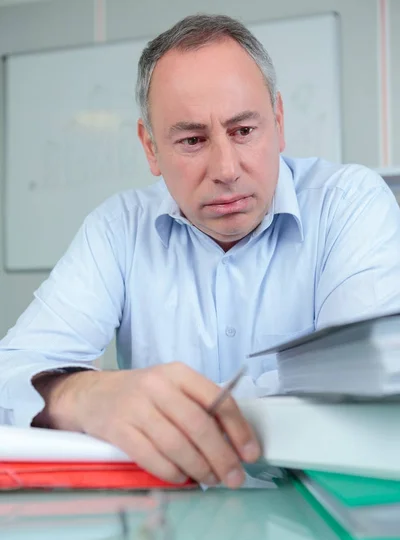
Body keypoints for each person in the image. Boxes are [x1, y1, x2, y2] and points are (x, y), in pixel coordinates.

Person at [1, 14, 400, 489]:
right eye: (192, 140)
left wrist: (177, 417)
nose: (226, 168)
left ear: (278, 121)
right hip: (167, 531)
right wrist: (84, 393)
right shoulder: (116, 230)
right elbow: (13, 368)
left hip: (321, 512)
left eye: (244, 131)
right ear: (151, 148)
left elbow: (362, 385)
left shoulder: (349, 202)